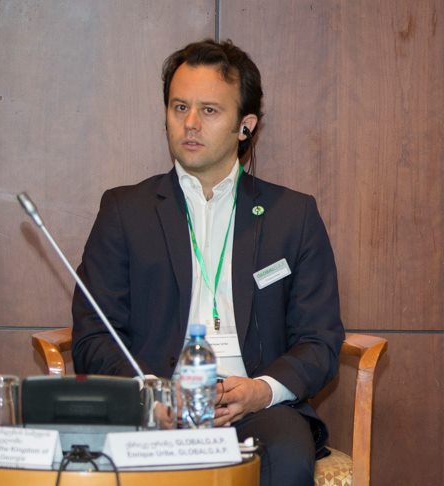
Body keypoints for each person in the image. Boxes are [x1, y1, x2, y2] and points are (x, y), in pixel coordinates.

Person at [72, 39, 344, 486]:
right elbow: (94, 334)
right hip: (155, 409)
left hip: (255, 408)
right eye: (179, 107)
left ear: (245, 126)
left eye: (209, 110)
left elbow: (320, 340)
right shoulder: (125, 211)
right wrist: (150, 393)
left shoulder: (292, 216)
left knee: (287, 456)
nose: (190, 123)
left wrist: (262, 390)